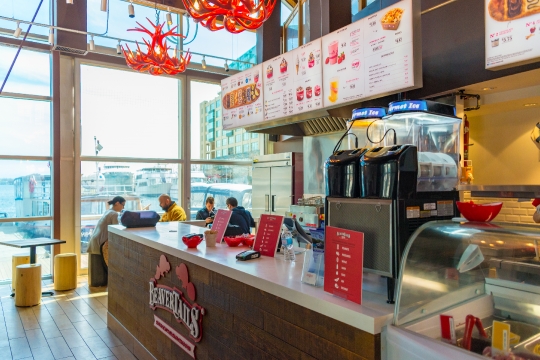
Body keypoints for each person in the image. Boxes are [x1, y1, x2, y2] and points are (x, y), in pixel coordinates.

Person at [87, 196, 125, 286]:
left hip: (95, 240)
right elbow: (117, 230)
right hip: (101, 243)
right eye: (123, 205)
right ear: (117, 203)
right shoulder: (114, 214)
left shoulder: (108, 211)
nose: (123, 207)